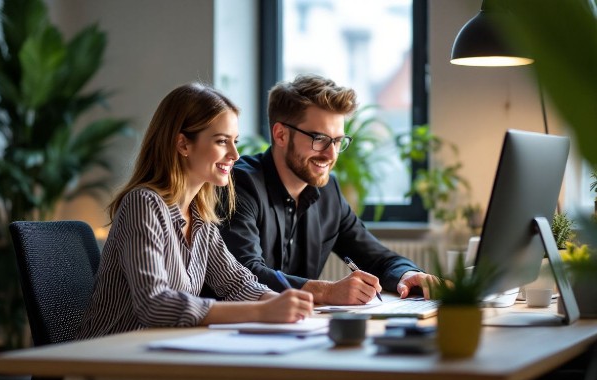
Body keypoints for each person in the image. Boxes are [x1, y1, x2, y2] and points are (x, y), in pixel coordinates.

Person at [77, 83, 313, 339]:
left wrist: (283, 304)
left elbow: (236, 284)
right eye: (222, 141)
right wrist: (261, 312)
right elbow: (155, 304)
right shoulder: (143, 204)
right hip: (109, 362)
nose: (234, 154)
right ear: (183, 144)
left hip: (161, 355)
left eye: (235, 142)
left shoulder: (200, 218)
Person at [219, 74, 436, 306]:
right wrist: (325, 292)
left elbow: (377, 259)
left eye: (338, 141)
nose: (331, 154)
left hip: (296, 329)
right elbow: (245, 275)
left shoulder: (328, 192)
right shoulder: (239, 183)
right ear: (281, 134)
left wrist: (407, 275)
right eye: (320, 139)